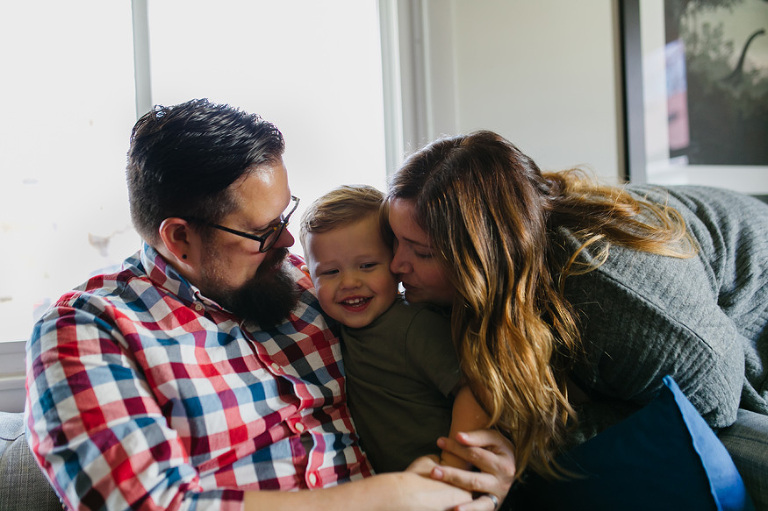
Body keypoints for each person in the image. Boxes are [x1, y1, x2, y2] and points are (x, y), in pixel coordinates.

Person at [24, 101, 515, 511]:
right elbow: (147, 503)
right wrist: (390, 496)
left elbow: (450, 341)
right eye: (262, 231)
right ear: (179, 238)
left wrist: (485, 461)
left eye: (285, 215)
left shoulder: (313, 285)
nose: (286, 240)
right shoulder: (86, 332)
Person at [385, 130, 768, 485]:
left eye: (422, 252)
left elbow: (715, 397)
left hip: (747, 313)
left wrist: (540, 437)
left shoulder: (603, 283)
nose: (396, 266)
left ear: (486, 259)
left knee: (719, 447)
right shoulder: (490, 273)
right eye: (394, 241)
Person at [298, 185, 489, 473]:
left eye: (367, 265)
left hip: (447, 482)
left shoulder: (415, 325)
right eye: (330, 272)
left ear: (396, 264)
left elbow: (478, 389)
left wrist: (452, 471)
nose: (349, 282)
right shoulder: (330, 326)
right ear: (309, 276)